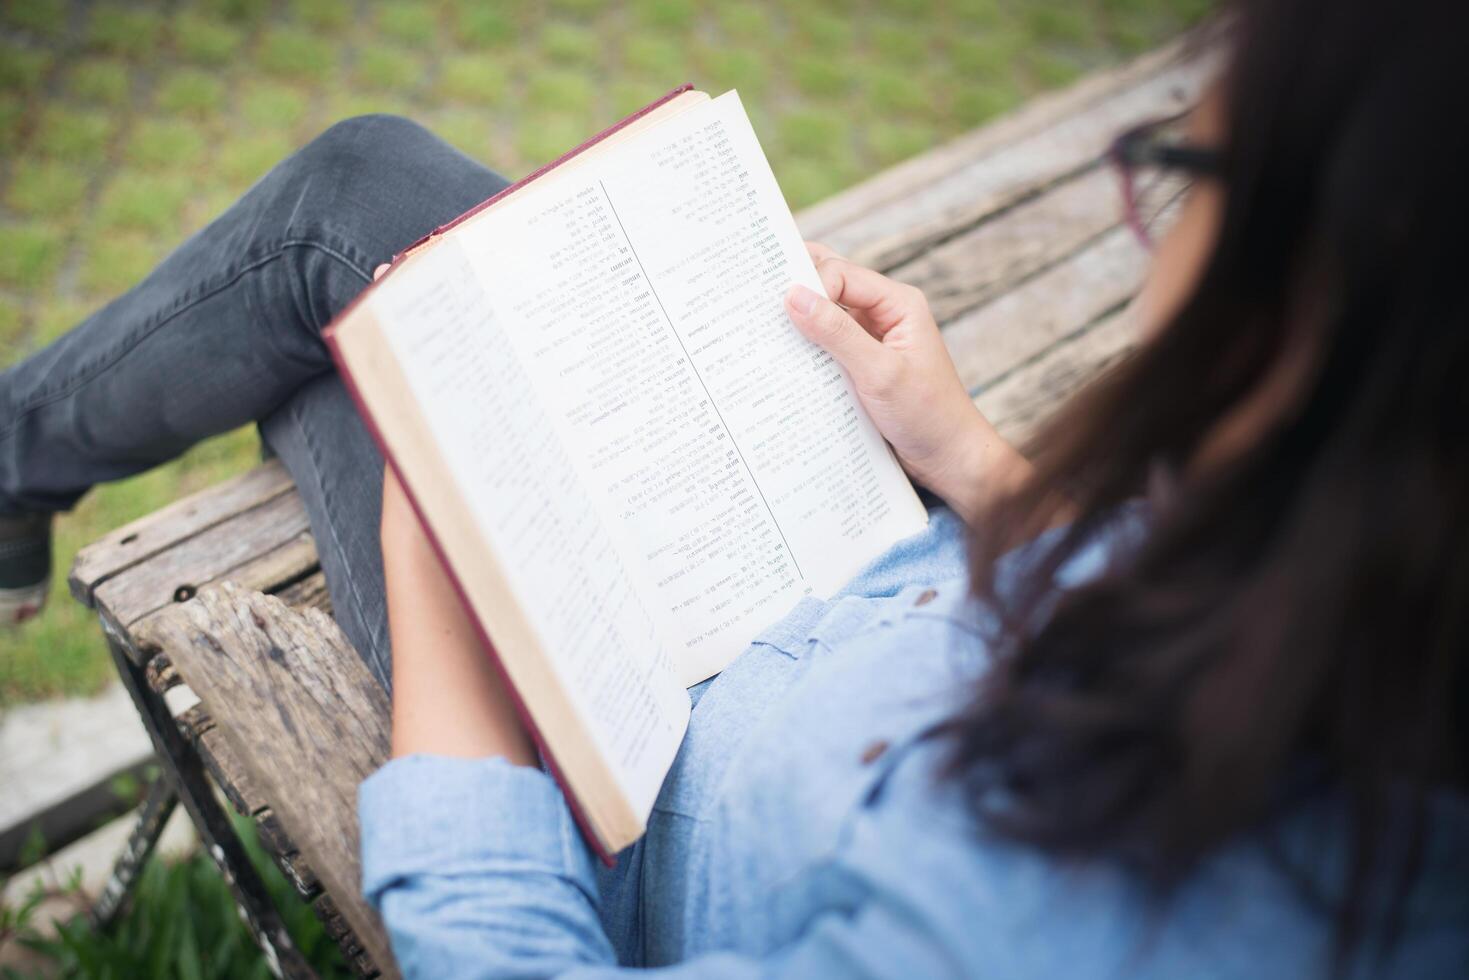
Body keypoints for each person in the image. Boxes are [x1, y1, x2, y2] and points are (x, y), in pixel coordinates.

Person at [4, 0, 1465, 974]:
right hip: (832, 550)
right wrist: (962, 452)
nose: (1157, 233)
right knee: (371, 194)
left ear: (1318, 301)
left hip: (611, 758)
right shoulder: (1393, 568)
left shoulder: (1055, 931)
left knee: (354, 291)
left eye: (1181, 164)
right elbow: (1145, 584)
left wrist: (451, 578)